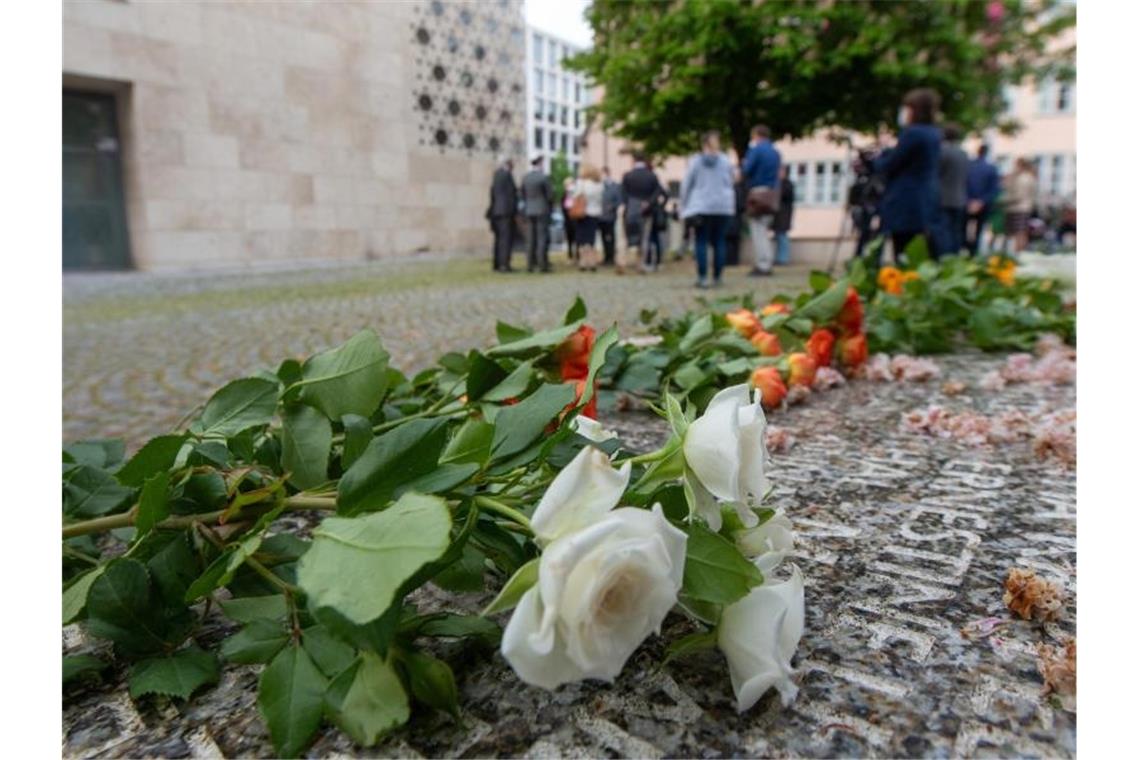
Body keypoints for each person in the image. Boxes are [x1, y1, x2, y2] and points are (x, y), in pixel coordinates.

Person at [873, 88, 942, 263]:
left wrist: (878, 160)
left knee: (903, 251)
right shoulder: (934, 133)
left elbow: (892, 164)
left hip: (906, 201)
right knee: (916, 251)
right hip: (923, 200)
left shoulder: (914, 133)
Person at [680, 131, 735, 288]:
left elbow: (687, 185)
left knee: (701, 241)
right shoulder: (725, 161)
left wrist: (684, 206)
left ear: (703, 144)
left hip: (701, 206)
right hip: (723, 207)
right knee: (719, 241)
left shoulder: (695, 161)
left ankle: (703, 277)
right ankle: (717, 277)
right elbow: (730, 182)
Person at [741, 124, 782, 276]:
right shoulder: (775, 152)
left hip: (758, 192)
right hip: (771, 193)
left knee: (757, 230)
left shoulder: (756, 150)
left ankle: (762, 263)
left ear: (757, 135)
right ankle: (766, 261)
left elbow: (747, 169)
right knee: (764, 229)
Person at [620, 151, 667, 274]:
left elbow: (623, 193)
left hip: (630, 210)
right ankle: (640, 264)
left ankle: (622, 262)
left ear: (633, 160)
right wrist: (648, 203)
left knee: (626, 237)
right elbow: (658, 192)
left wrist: (629, 204)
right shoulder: (651, 176)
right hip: (646, 211)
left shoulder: (627, 176)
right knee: (644, 238)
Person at [936, 123, 970, 257]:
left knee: (944, 233)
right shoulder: (963, 154)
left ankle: (944, 259)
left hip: (943, 199)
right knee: (956, 233)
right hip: (960, 199)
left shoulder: (942, 152)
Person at [965, 144, 1001, 257]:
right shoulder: (992, 168)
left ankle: (967, 248)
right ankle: (973, 252)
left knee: (964, 229)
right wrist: (981, 201)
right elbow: (994, 189)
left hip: (969, 203)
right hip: (983, 204)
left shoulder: (969, 166)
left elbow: (963, 184)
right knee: (978, 231)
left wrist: (970, 201)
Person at [521, 155, 553, 273]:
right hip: (541, 210)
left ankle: (529, 264)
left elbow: (523, 194)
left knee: (530, 238)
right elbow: (550, 196)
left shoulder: (526, 177)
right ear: (540, 163)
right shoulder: (543, 177)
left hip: (529, 210)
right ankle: (542, 265)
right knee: (541, 238)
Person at [486, 156, 517, 272]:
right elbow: (511, 195)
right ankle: (504, 265)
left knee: (498, 239)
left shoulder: (496, 175)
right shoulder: (507, 175)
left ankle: (496, 264)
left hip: (496, 211)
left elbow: (492, 193)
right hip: (506, 211)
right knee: (505, 239)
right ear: (508, 164)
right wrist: (514, 211)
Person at [572, 165, 605, 271]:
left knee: (582, 239)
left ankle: (583, 262)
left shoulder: (582, 183)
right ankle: (592, 261)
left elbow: (575, 195)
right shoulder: (599, 185)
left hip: (583, 213)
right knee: (591, 239)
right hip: (595, 213)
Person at [1004, 157, 1038, 253]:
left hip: (1018, 208)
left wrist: (1004, 201)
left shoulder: (1022, 178)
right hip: (1024, 207)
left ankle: (1017, 255)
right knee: (1021, 232)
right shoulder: (1030, 177)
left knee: (1019, 233)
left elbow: (1018, 195)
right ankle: (1020, 254)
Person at [772, 166, 796, 265]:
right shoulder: (779, 184)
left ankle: (783, 259)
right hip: (779, 216)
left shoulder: (787, 184)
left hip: (784, 215)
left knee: (782, 237)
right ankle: (779, 258)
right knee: (779, 236)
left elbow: (783, 196)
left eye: (780, 171)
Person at [599, 167, 621, 266]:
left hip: (611, 216)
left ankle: (611, 257)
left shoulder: (615, 186)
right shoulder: (599, 186)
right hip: (600, 216)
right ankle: (606, 257)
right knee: (603, 237)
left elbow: (619, 200)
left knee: (611, 237)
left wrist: (612, 207)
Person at [561, 177, 578, 262]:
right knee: (570, 239)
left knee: (577, 239)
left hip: (576, 220)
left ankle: (578, 255)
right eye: (567, 184)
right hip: (568, 221)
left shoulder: (576, 195)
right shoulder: (564, 195)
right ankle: (570, 256)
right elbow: (563, 208)